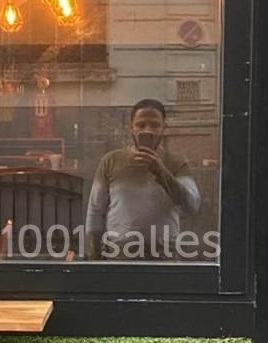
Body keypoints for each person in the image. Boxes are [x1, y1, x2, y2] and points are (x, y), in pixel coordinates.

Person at [85, 98, 201, 260]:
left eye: (154, 125)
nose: (148, 130)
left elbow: (192, 205)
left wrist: (161, 172)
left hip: (164, 255)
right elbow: (95, 210)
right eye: (141, 125)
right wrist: (93, 257)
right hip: (119, 255)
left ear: (163, 128)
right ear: (131, 128)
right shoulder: (111, 161)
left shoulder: (177, 162)